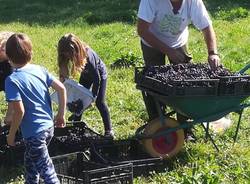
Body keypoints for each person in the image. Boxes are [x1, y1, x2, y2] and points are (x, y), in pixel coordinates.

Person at [137, 0, 221, 123]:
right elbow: (142, 31)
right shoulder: (151, 1)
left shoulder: (193, 2)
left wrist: (213, 53)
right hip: (151, 41)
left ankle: (185, 124)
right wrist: (168, 51)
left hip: (178, 42)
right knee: (152, 82)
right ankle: (157, 123)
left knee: (186, 83)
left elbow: (206, 27)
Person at [4, 33, 66, 183]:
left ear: (8, 57)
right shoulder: (40, 70)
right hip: (48, 128)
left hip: (34, 134)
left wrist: (11, 136)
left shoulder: (12, 80)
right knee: (31, 163)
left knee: (49, 175)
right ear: (31, 53)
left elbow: (19, 111)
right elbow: (62, 89)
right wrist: (61, 115)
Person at [57, 33, 114, 138]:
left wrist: (93, 97)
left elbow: (97, 79)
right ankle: (75, 125)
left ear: (76, 50)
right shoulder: (67, 54)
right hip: (86, 74)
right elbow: (63, 71)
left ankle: (109, 130)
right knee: (79, 100)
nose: (68, 57)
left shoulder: (89, 57)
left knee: (100, 102)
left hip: (100, 75)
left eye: (69, 55)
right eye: (65, 55)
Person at [0, 31, 14, 124]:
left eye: (2, 49)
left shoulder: (12, 65)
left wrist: (9, 115)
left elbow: (13, 95)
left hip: (7, 81)